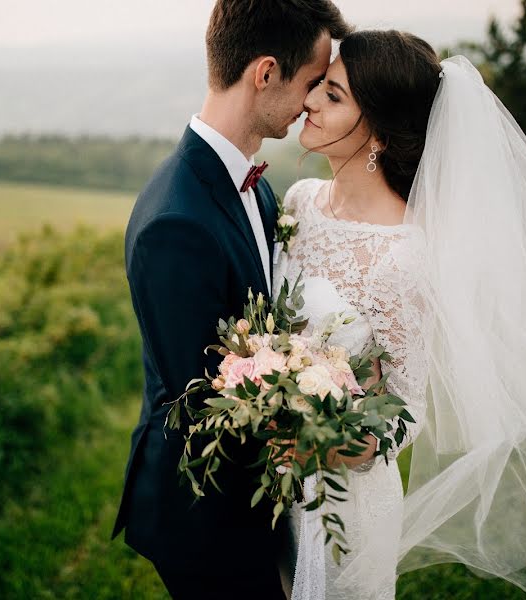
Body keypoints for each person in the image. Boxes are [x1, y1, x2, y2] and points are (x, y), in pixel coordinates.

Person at [274, 30, 526, 600]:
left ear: (381, 134)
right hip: (270, 488)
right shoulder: (298, 203)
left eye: (335, 95)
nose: (311, 100)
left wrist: (318, 440)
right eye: (320, 85)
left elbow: (403, 413)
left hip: (343, 506)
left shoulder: (402, 256)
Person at [111, 2, 352, 598]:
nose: (311, 103)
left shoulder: (256, 186)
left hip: (253, 501)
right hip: (205, 514)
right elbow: (203, 403)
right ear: (265, 73)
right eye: (310, 83)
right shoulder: (178, 221)